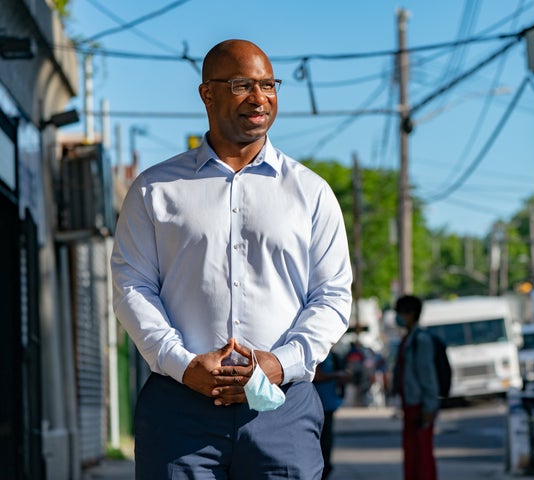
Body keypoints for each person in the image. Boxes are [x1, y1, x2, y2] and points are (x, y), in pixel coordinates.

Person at [111, 39, 353, 479]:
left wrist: (281, 363)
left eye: (269, 85)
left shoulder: (311, 193)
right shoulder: (154, 190)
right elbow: (132, 287)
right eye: (242, 85)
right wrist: (183, 365)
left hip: (282, 409)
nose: (259, 98)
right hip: (179, 412)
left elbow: (332, 295)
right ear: (207, 93)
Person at [392, 295, 439, 480]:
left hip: (420, 405)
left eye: (400, 313)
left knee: (422, 455)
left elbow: (427, 376)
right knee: (412, 454)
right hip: (410, 404)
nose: (398, 317)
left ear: (410, 314)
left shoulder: (421, 340)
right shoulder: (409, 339)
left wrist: (429, 406)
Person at [313, 350, 350, 480]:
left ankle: (325, 469)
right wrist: (336, 375)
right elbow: (316, 375)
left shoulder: (331, 354)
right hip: (318, 404)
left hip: (328, 404)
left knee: (326, 441)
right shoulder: (317, 350)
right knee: (321, 442)